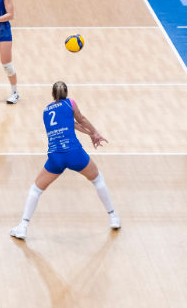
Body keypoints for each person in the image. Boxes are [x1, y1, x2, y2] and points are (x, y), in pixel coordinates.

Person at [9, 82, 120, 240]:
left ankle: (22, 227)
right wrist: (95, 132)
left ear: (52, 95)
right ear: (66, 93)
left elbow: (70, 124)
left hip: (55, 156)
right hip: (74, 153)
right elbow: (80, 119)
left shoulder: (46, 111)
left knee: (35, 190)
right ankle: (113, 217)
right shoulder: (71, 103)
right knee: (97, 179)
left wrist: (89, 134)